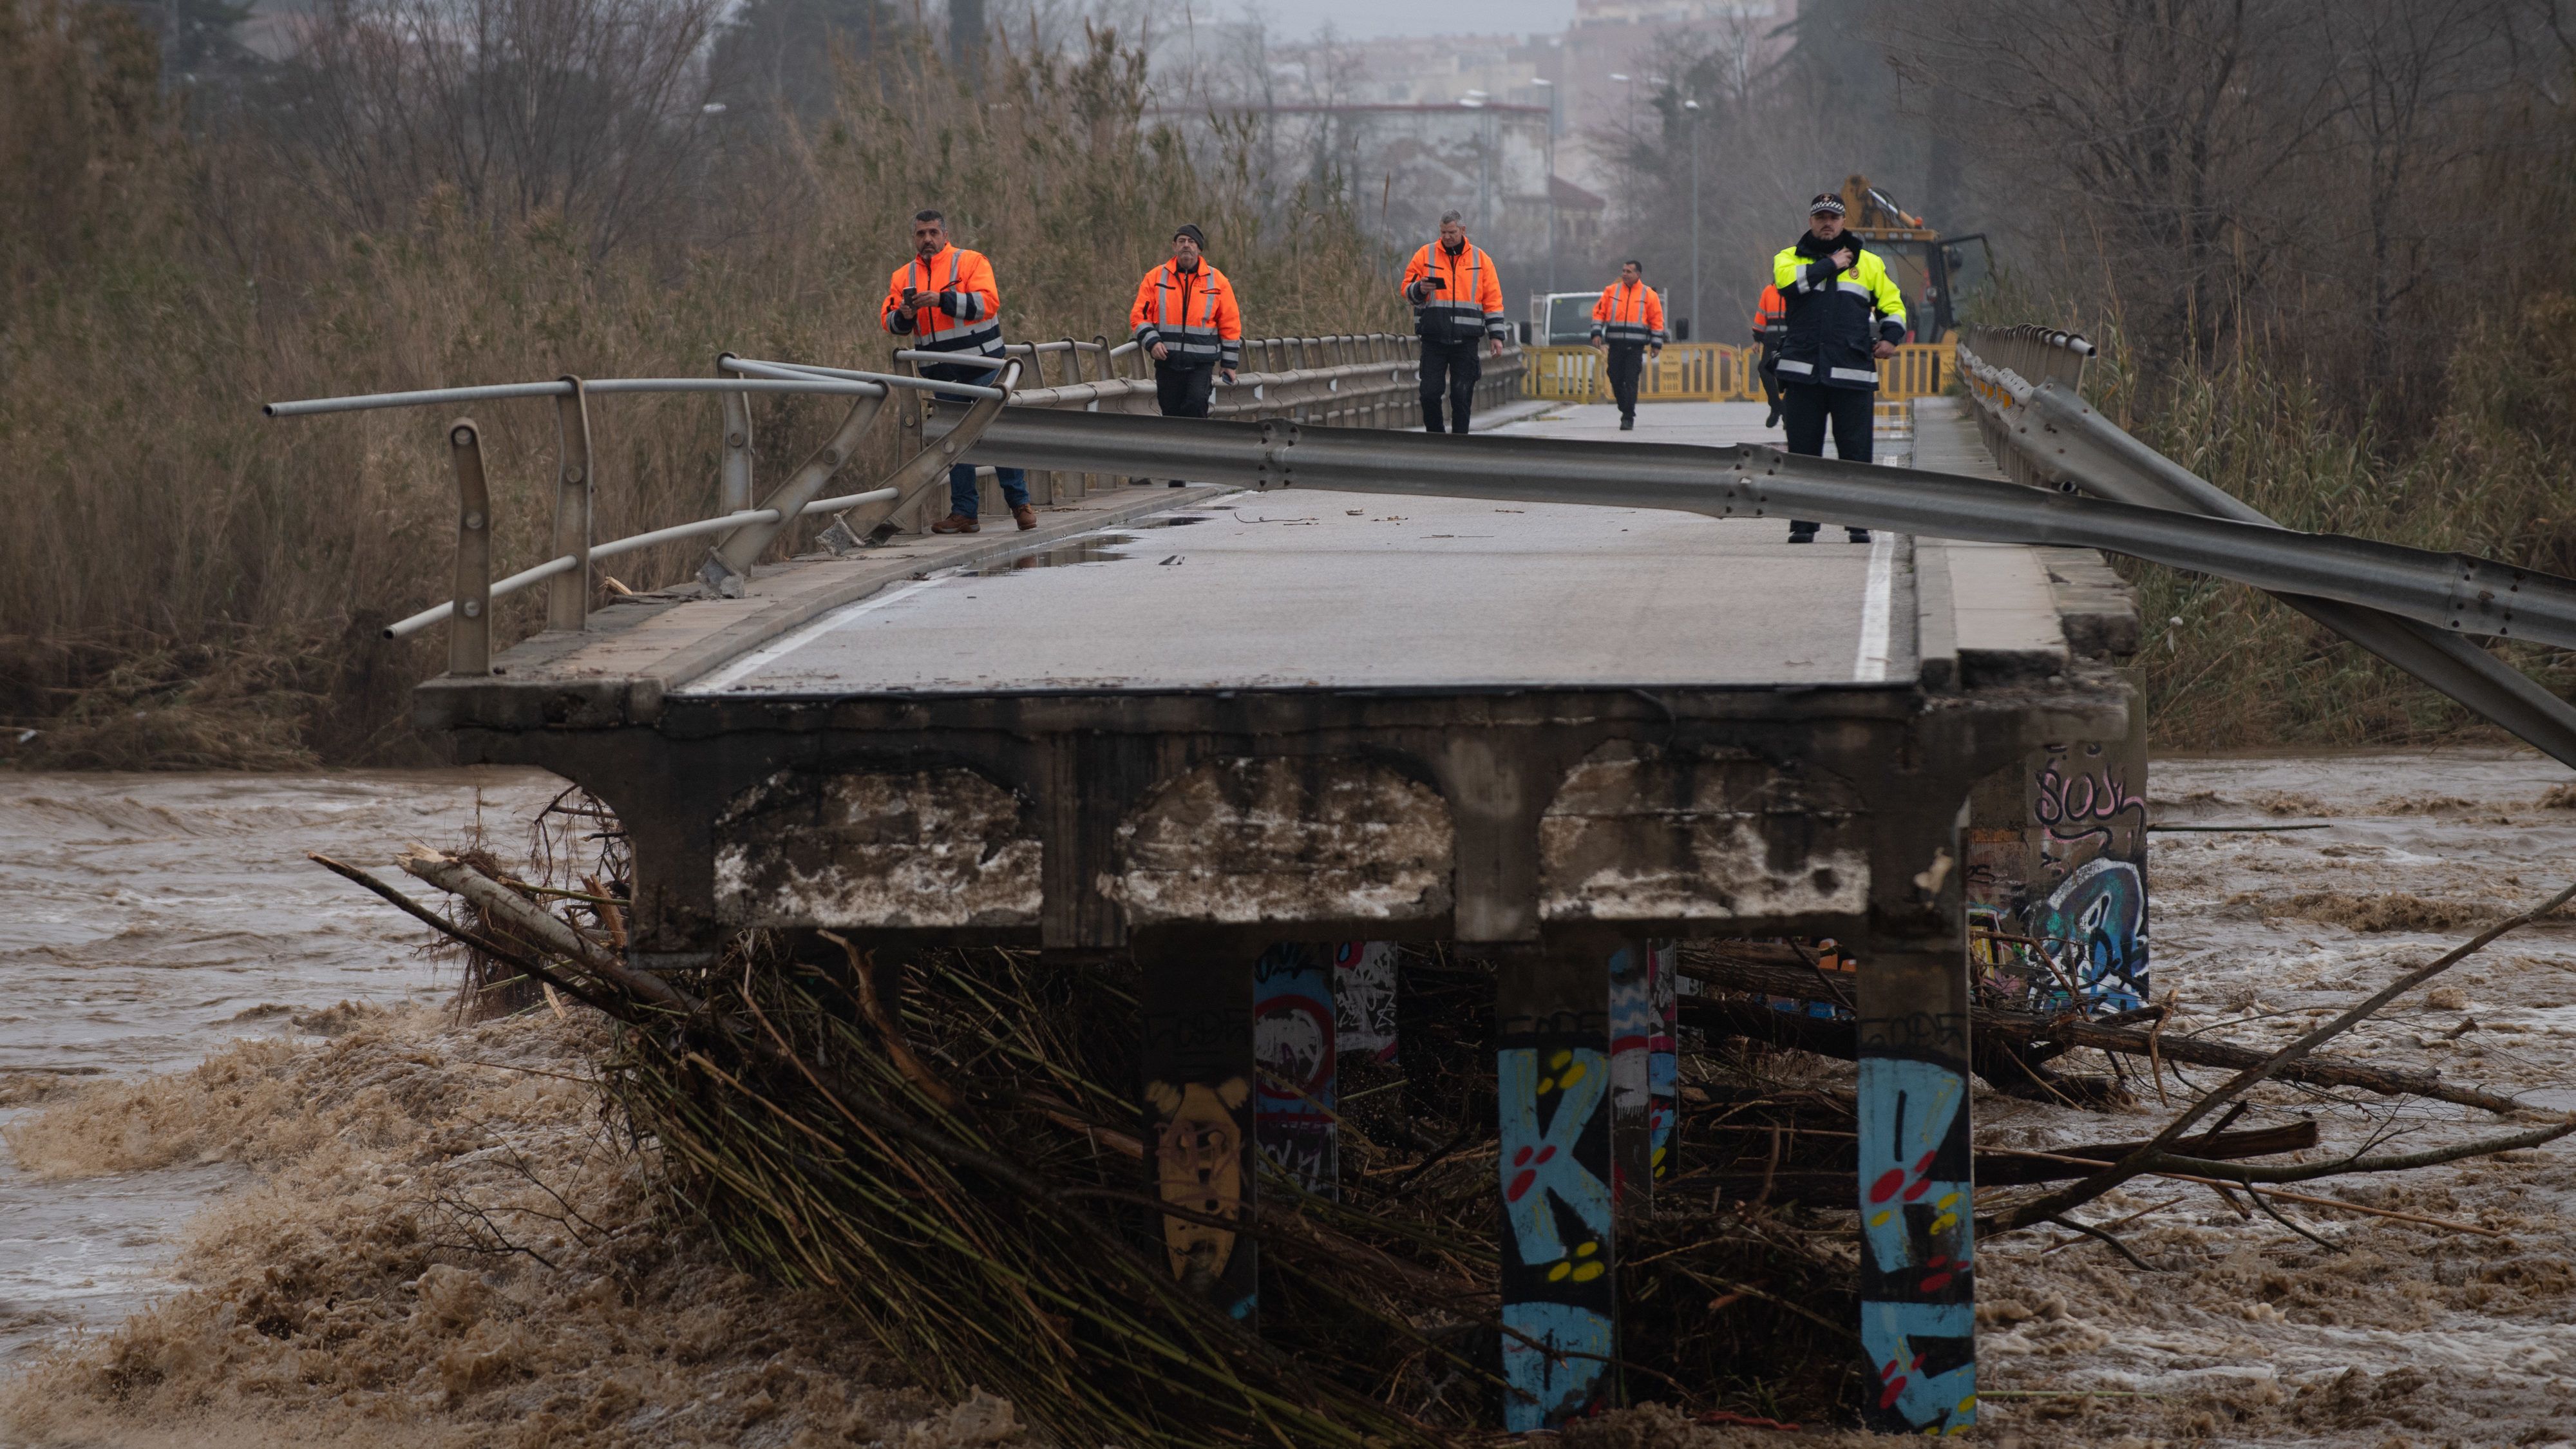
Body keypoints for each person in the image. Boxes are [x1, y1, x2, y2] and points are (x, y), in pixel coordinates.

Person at [880, 209, 1034, 535]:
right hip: (940, 371)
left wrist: (941, 299)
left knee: (997, 436)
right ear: (914, 238)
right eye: (921, 234)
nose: (927, 240)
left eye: (933, 233)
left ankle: (1020, 505)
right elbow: (889, 321)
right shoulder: (903, 276)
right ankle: (965, 512)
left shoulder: (971, 262)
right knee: (955, 444)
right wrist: (906, 314)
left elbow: (987, 303)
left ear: (945, 235)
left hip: (982, 365)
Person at [1770, 192, 1907, 544]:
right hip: (1803, 372)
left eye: (1833, 217)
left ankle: (1858, 522)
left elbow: (1893, 305)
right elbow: (1789, 287)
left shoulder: (1871, 264)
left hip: (1852, 372)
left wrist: (1891, 337)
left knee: (1856, 454)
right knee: (1803, 454)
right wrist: (1831, 264)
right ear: (1811, 221)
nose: (1827, 223)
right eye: (1821, 218)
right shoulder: (1788, 258)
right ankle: (1803, 523)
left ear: (1843, 221)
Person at [1130, 223, 1243, 485]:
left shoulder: (1218, 282)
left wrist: (1229, 364)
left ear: (1200, 249)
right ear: (1174, 247)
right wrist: (1152, 341)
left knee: (1194, 405)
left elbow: (1230, 324)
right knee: (1170, 414)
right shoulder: (1156, 277)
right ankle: (1177, 471)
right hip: (1167, 360)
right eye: (1181, 241)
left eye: (1191, 242)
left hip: (1201, 363)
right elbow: (1139, 316)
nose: (1186, 246)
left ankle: (1193, 462)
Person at [1401, 211, 1508, 433]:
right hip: (1433, 339)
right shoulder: (1425, 255)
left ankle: (1460, 442)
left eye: (1451, 232)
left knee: (1462, 394)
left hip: (1466, 341)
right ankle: (1436, 437)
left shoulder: (1481, 260)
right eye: (1443, 232)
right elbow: (1406, 290)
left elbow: (1493, 300)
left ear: (1463, 230)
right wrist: (1420, 289)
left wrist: (1496, 336)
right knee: (1429, 393)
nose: (1447, 237)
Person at [1588, 260, 1666, 431]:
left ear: (1638, 275)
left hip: (1635, 347)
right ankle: (1625, 406)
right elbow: (1599, 312)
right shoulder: (1611, 291)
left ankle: (1628, 417)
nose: (1625, 274)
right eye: (1623, 271)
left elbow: (1657, 321)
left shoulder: (1649, 295)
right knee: (1615, 377)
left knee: (1631, 381)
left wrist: (1656, 345)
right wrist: (1596, 333)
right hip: (1616, 345)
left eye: (1629, 271)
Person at [1750, 281, 1788, 429]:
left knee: (1789, 376)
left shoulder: (1793, 288)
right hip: (1771, 341)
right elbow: (1761, 316)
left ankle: (1786, 412)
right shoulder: (1768, 291)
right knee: (1764, 370)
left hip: (1790, 340)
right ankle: (1777, 407)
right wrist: (1757, 340)